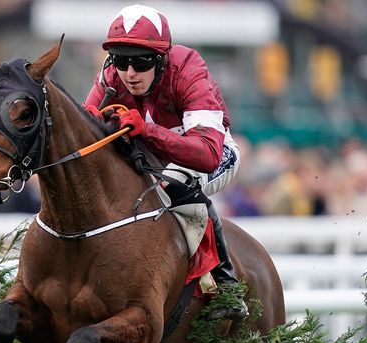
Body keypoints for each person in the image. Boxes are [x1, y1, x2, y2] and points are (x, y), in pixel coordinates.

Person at [83, 4, 247, 319]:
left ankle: (228, 286)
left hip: (211, 152)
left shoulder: (188, 68)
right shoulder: (110, 76)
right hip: (155, 153)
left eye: (141, 62)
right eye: (120, 60)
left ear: (161, 60)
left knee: (173, 183)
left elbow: (207, 154)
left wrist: (150, 132)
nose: (130, 73)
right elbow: (86, 127)